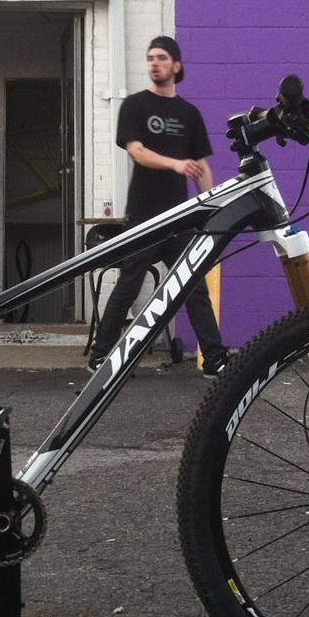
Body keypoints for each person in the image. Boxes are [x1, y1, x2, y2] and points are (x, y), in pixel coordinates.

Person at [87, 35, 229, 378]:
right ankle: (100, 356)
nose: (154, 63)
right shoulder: (135, 105)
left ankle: (215, 360)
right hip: (144, 216)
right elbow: (136, 151)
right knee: (129, 284)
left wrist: (211, 211)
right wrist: (175, 164)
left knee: (194, 286)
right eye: (150, 57)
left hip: (179, 219)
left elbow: (202, 166)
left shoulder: (189, 114)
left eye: (162, 57)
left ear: (176, 66)